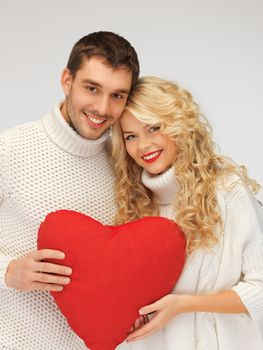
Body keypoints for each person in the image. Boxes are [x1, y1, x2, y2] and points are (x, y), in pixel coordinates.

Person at [0, 31, 139, 349]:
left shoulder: (125, 166)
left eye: (118, 95)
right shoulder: (9, 149)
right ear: (67, 80)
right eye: (92, 88)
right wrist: (7, 272)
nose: (102, 108)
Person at [112, 76, 263, 349]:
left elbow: (260, 289)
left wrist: (185, 305)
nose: (143, 145)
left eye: (153, 128)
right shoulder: (132, 205)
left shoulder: (227, 191)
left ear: (178, 125)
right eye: (130, 136)